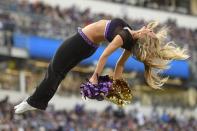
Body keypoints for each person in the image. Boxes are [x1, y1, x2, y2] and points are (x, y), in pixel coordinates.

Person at [14, 18, 189, 114]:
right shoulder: (130, 40)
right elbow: (119, 66)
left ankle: (33, 102)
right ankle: (35, 101)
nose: (150, 29)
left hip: (81, 42)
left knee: (55, 70)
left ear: (144, 36)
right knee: (57, 73)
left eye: (150, 33)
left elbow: (106, 56)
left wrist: (95, 77)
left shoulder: (125, 37)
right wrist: (117, 82)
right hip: (87, 46)